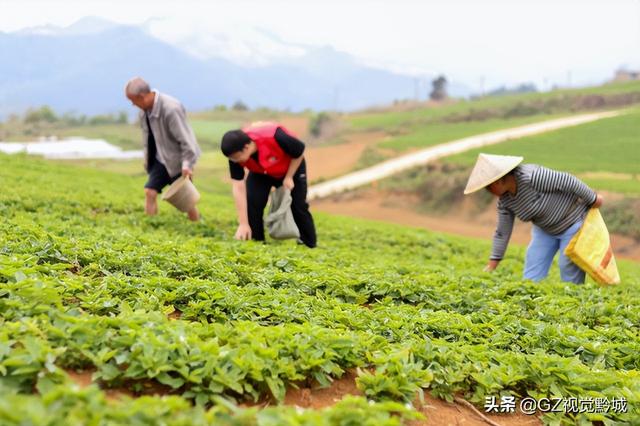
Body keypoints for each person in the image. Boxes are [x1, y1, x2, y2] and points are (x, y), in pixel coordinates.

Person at [463, 153, 603, 284]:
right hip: (545, 230)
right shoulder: (505, 201)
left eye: (488, 188)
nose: (489, 192)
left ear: (497, 181)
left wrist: (593, 198)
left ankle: (574, 300)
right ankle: (532, 301)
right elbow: (502, 232)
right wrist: (492, 265)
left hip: (573, 222)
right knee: (533, 268)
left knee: (567, 264)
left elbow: (568, 180)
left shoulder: (533, 177)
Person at [220, 122, 317, 248]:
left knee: (298, 205)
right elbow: (238, 187)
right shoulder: (234, 155)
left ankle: (308, 243)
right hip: (260, 172)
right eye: (232, 159)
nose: (234, 161)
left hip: (290, 167)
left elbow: (299, 151)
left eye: (236, 157)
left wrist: (289, 177)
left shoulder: (275, 136)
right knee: (253, 201)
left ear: (246, 147)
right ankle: (257, 242)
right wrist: (243, 223)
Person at [124, 77, 201, 221]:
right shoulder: (144, 111)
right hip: (161, 159)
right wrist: (148, 160)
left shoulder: (171, 109)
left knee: (187, 199)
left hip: (178, 159)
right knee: (150, 191)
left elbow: (186, 139)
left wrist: (187, 164)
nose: (133, 105)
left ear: (142, 97)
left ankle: (197, 225)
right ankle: (151, 227)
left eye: (133, 101)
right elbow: (149, 138)